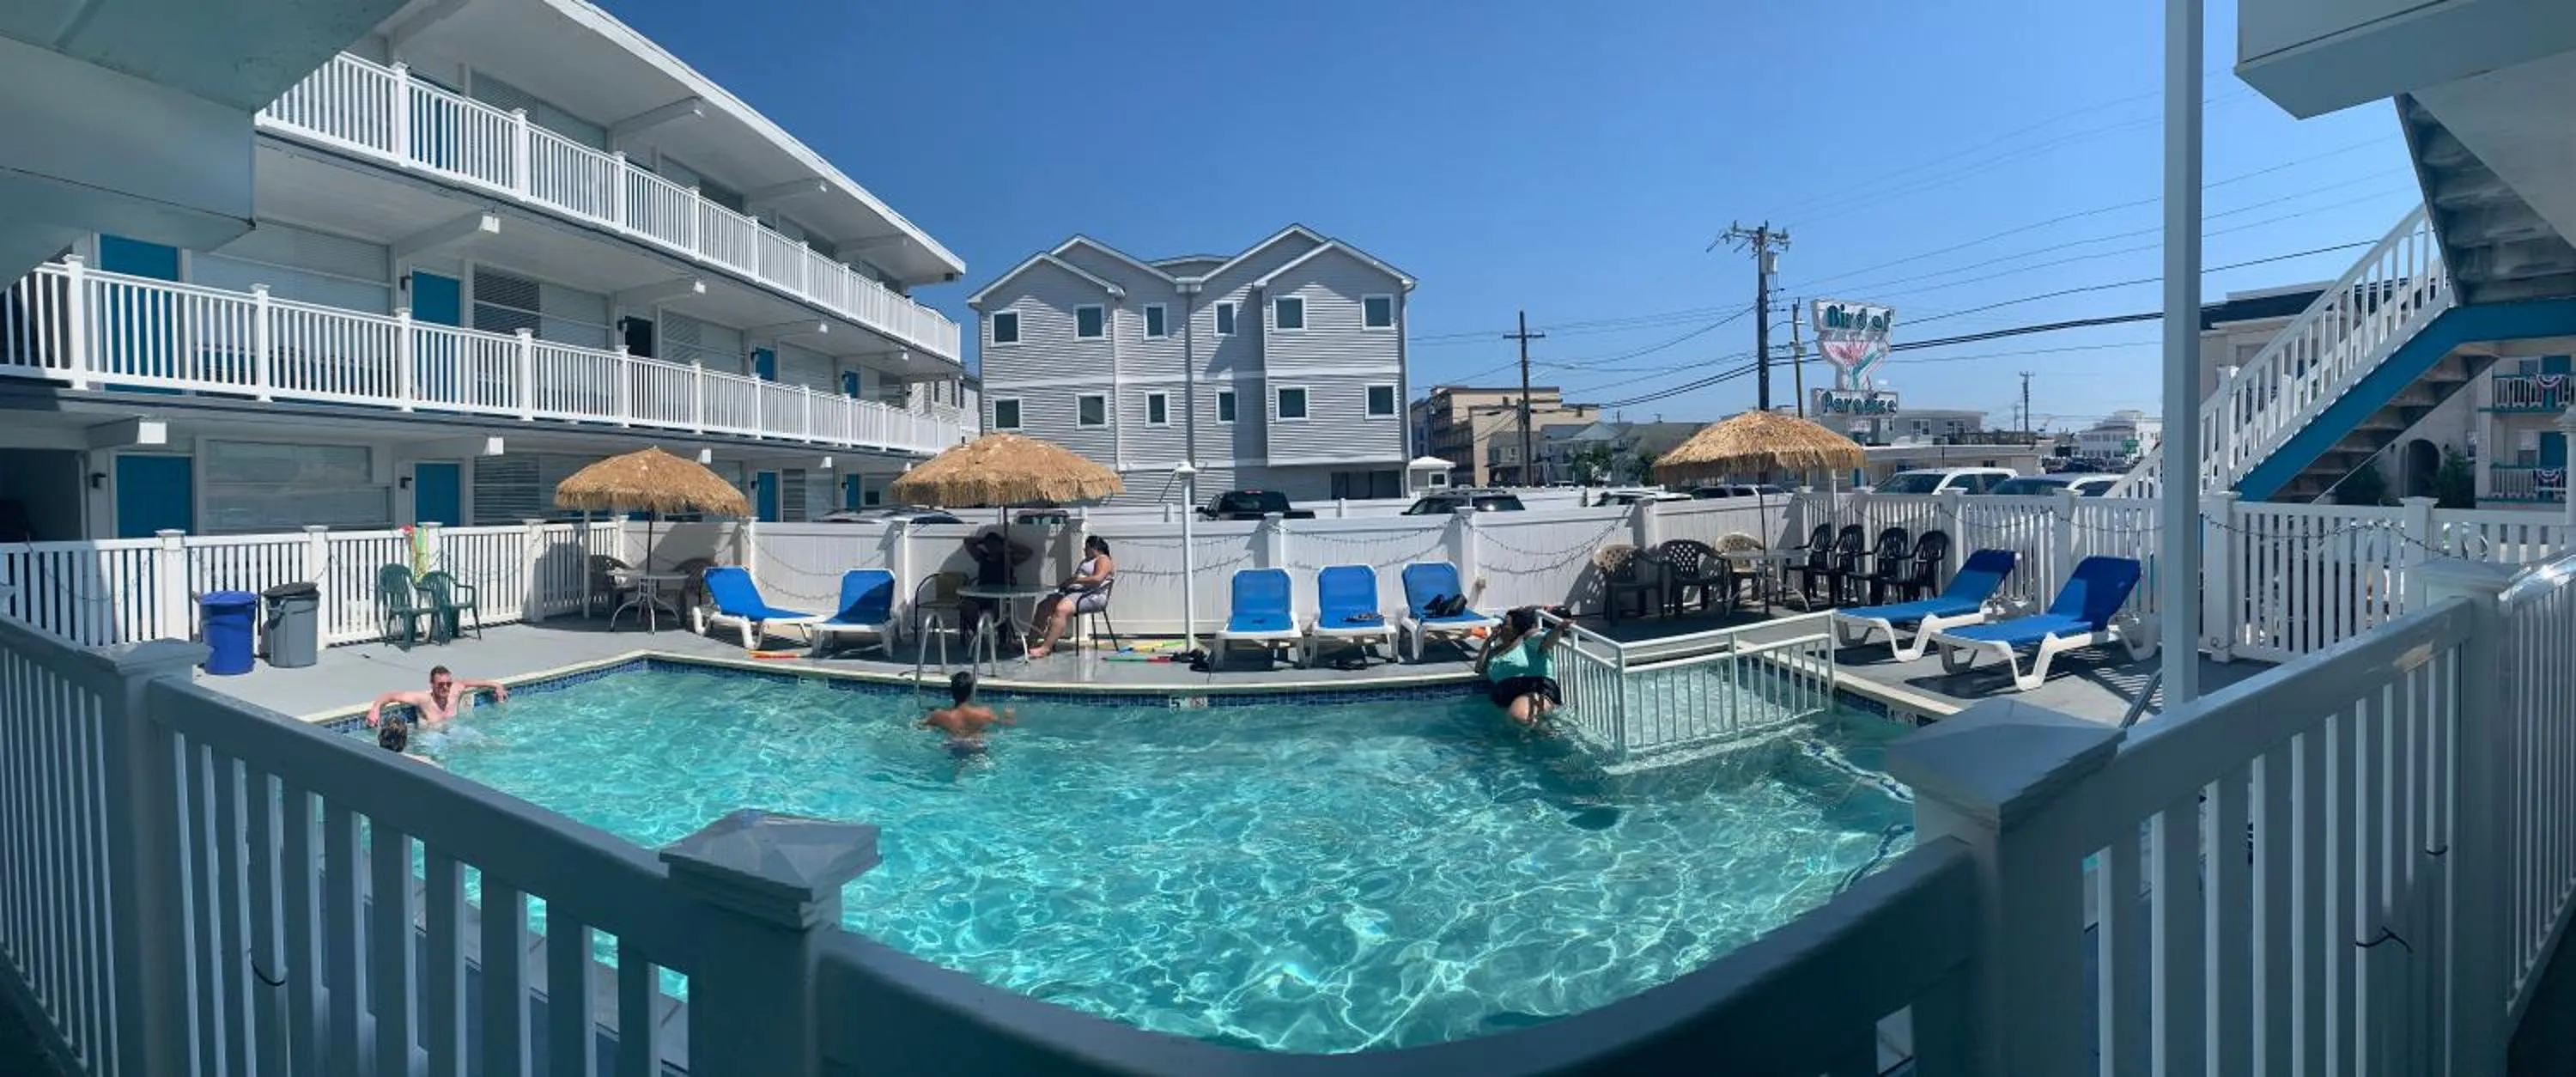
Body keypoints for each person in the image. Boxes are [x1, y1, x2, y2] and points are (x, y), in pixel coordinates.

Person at [1476, 606, 1570, 730]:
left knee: (1522, 717)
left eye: (1504, 624)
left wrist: (1559, 629)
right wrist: (1488, 641)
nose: (1500, 627)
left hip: (1533, 688)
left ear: (1516, 629)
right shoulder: (1495, 652)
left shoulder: (1527, 641)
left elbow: (1548, 641)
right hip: (1507, 698)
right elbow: (1479, 668)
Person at [1025, 536, 1114, 659]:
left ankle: (1045, 648)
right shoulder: (1087, 561)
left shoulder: (1103, 559)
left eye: (1086, 548)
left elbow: (1098, 579)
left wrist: (1076, 579)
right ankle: (1030, 642)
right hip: (1077, 593)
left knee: (1061, 609)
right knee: (1044, 606)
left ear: (1094, 548)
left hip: (1093, 596)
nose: (1084, 550)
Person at [365, 665, 507, 728]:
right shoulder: (424, 700)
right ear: (431, 684)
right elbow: (391, 695)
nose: (445, 687)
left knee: (484, 744)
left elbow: (466, 682)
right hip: (432, 738)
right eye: (440, 684)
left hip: (455, 731)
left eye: (448, 683)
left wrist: (496, 685)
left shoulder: (454, 691)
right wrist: (376, 708)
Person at [920, 671, 1015, 758]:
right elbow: (1008, 724)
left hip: (953, 746)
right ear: (971, 692)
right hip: (977, 746)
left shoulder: (940, 716)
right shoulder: (984, 713)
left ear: (952, 692)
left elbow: (919, 726)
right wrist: (1009, 714)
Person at [961, 530, 1034, 629]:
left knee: (999, 607)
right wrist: (983, 540)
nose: (992, 548)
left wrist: (1008, 544)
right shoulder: (982, 557)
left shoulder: (1008, 559)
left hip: (1001, 595)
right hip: (982, 594)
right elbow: (967, 542)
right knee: (967, 605)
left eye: (994, 545)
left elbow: (1028, 552)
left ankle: (1002, 638)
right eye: (989, 545)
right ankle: (978, 634)